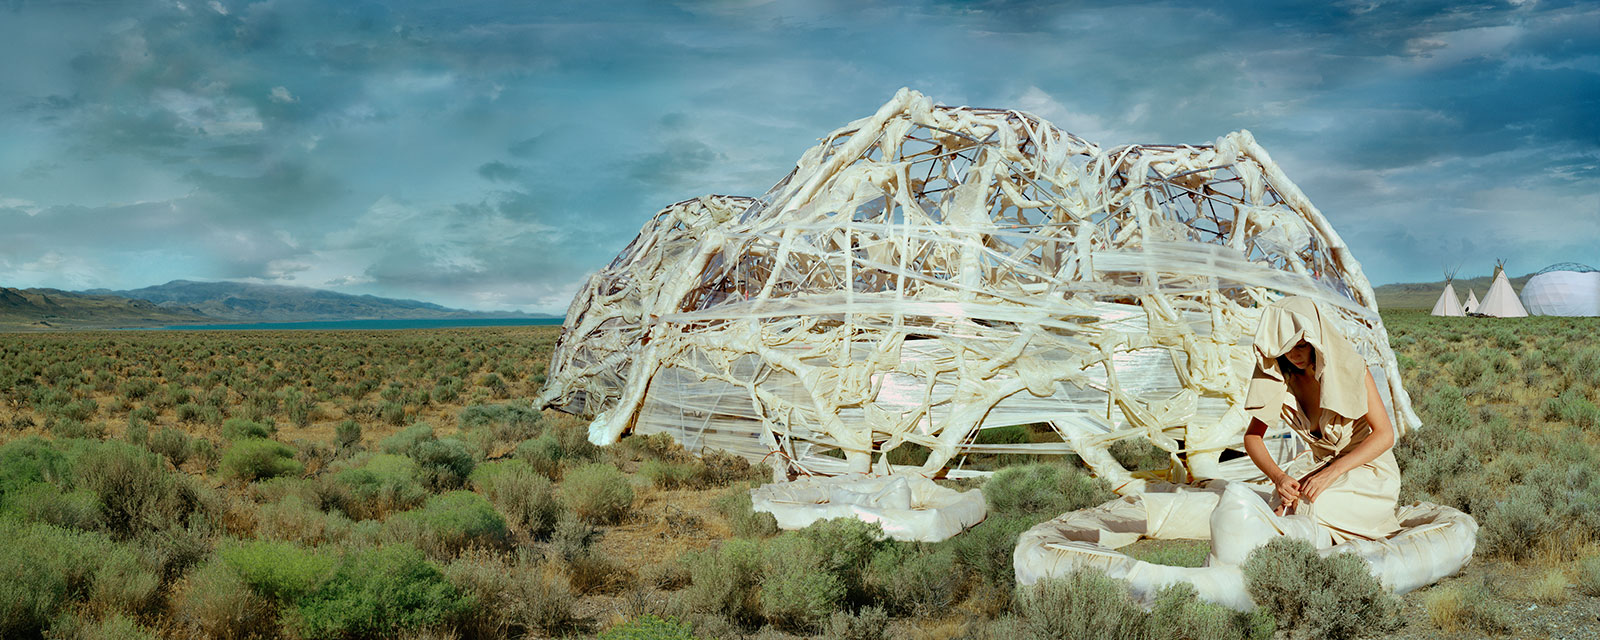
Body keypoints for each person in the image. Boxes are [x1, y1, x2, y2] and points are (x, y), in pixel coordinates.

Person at [1209, 296, 1402, 565]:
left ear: (1315, 339)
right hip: (1324, 469)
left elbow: (1385, 435)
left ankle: (1287, 562)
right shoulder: (1281, 377)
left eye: (1301, 345)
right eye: (1286, 348)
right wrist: (1278, 477)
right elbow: (1252, 437)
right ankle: (1253, 567)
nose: (1295, 355)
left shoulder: (1352, 368)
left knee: (1314, 505)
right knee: (1284, 503)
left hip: (1369, 470)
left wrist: (1331, 473)